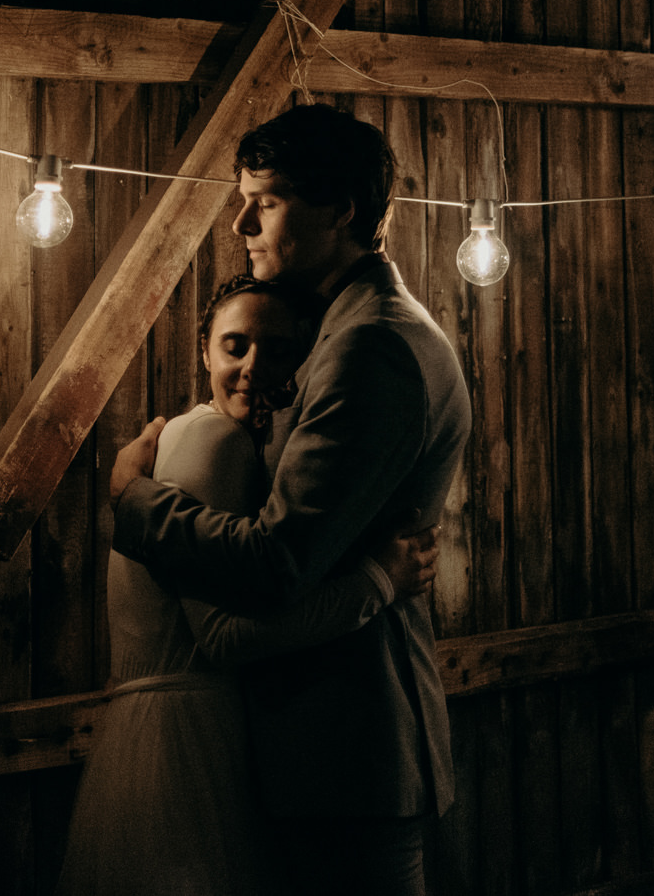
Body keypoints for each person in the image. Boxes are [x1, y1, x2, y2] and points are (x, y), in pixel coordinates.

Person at [109, 102, 473, 896]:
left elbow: (276, 561)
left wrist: (133, 501)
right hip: (332, 746)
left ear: (341, 208)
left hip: (344, 745)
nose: (241, 219)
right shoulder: (357, 330)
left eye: (266, 199)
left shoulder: (368, 345)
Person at [56, 273, 437, 896]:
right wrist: (378, 582)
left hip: (159, 729)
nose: (254, 366)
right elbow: (225, 639)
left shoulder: (199, 441)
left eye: (279, 350)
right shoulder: (215, 440)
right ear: (204, 351)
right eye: (236, 346)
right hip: (187, 741)